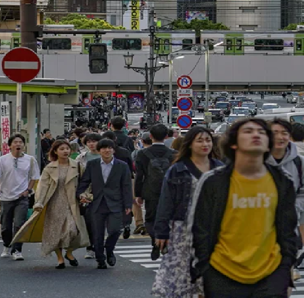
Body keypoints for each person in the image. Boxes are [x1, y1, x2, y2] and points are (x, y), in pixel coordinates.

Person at [188, 118, 298, 297]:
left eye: (262, 133)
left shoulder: (282, 180)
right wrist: (203, 271)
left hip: (271, 272)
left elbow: (288, 229)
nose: (256, 135)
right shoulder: (214, 181)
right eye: (248, 131)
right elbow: (198, 228)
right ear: (233, 144)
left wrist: (286, 269)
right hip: (222, 271)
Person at [152, 126, 223, 298]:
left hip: (214, 229)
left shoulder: (220, 169)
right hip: (183, 229)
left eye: (208, 140)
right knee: (181, 273)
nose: (205, 144)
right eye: (200, 140)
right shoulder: (178, 169)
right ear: (190, 144)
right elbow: (166, 202)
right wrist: (161, 231)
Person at [266, 119, 304, 276]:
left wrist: (291, 207)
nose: (280, 137)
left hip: (287, 227)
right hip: (256, 231)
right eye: (275, 133)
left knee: (283, 278)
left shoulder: (300, 163)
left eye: (284, 133)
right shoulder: (252, 161)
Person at [77, 137, 133, 269]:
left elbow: (126, 186)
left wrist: (128, 204)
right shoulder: (93, 164)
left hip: (116, 202)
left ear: (113, 150)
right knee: (97, 233)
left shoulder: (122, 166)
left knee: (115, 230)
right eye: (104, 148)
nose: (107, 150)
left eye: (109, 148)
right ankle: (100, 258)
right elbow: (84, 181)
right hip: (97, 202)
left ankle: (109, 249)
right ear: (99, 150)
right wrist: (80, 195)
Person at [33, 140, 88, 268]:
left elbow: (85, 184)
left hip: (72, 202)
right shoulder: (49, 168)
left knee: (72, 230)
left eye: (67, 148)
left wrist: (85, 196)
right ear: (55, 152)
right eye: (62, 149)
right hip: (54, 202)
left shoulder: (77, 166)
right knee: (55, 232)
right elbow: (43, 186)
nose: (65, 151)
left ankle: (69, 252)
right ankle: (60, 259)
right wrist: (39, 202)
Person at [0, 134, 40, 261]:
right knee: (5, 226)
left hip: (21, 197)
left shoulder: (30, 160)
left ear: (24, 145)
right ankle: (7, 245)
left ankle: (17, 250)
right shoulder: (1, 160)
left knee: (19, 224)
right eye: (15, 142)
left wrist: (28, 190)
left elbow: (34, 176)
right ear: (10, 145)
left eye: (20, 142)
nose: (18, 144)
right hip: (5, 197)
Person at [134, 124, 176, 260]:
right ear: (166, 136)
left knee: (151, 218)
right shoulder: (173, 154)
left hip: (150, 190)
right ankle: (163, 241)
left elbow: (139, 175)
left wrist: (138, 194)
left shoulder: (142, 154)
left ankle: (154, 241)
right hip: (169, 191)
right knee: (167, 217)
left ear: (150, 136)